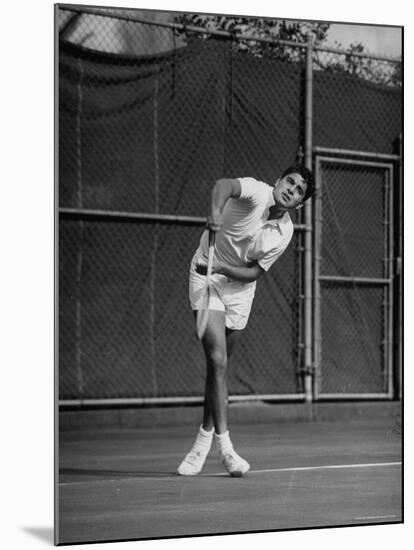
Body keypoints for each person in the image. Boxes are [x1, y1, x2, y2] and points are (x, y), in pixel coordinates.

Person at [177, 164, 315, 477]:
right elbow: (223, 184)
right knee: (219, 361)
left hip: (239, 291)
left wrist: (225, 270)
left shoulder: (286, 232)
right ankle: (225, 449)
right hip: (205, 275)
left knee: (218, 369)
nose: (290, 190)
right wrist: (215, 210)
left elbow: (255, 272)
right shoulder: (255, 191)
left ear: (300, 203)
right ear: (279, 181)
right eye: (289, 182)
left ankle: (202, 441)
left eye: (297, 191)